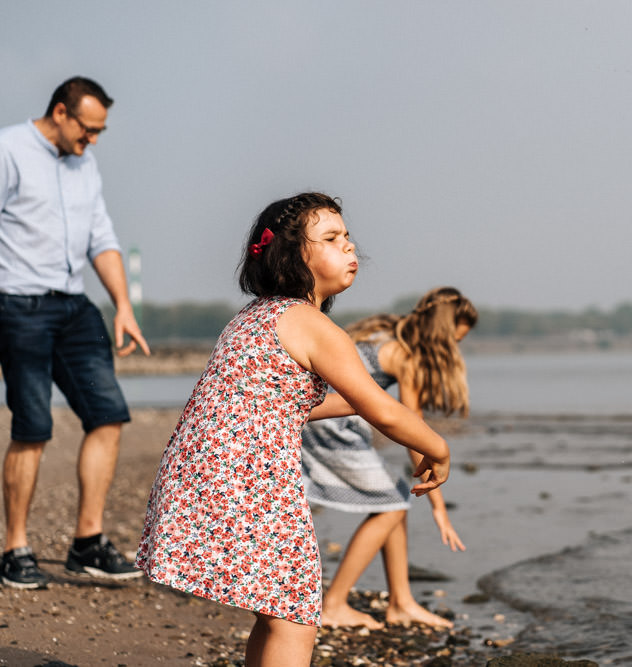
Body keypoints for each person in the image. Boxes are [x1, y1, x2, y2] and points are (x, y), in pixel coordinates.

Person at [135, 192, 452, 666]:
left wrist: (364, 405)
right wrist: (439, 448)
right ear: (291, 256)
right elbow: (383, 411)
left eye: (347, 236)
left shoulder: (252, 317)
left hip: (204, 475)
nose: (349, 247)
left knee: (275, 611)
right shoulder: (310, 324)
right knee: (295, 616)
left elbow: (292, 403)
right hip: (249, 483)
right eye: (330, 238)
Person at [0, 76, 150, 589]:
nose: (93, 140)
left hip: (74, 308)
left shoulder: (85, 163)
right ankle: (13, 547)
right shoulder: (9, 150)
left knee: (107, 415)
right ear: (61, 113)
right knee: (33, 427)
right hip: (18, 304)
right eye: (88, 129)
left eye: (100, 131)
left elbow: (101, 238)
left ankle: (87, 542)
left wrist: (123, 305)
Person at [301, 286, 477, 629]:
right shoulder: (404, 355)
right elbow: (414, 431)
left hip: (320, 411)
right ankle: (334, 605)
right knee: (393, 505)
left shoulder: (383, 329)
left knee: (394, 500)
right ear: (440, 335)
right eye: (454, 341)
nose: (455, 349)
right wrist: (438, 507)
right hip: (333, 423)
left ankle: (401, 601)